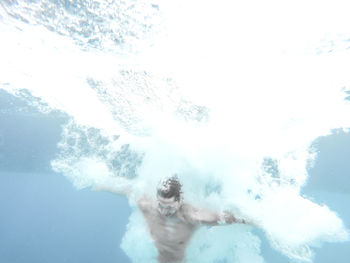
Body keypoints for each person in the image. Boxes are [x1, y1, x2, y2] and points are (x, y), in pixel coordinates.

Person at [93, 175, 248, 263]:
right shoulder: (148, 206)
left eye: (169, 206)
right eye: (161, 204)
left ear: (180, 201)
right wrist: (98, 183)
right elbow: (126, 190)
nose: (164, 210)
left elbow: (226, 218)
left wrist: (258, 221)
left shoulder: (192, 216)